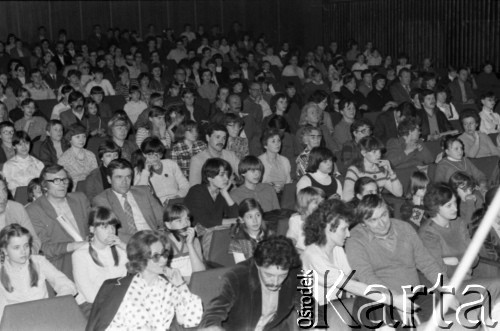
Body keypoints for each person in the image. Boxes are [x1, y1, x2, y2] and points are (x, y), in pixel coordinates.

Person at [345, 194, 458, 324]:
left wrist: (447, 291)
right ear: (363, 223)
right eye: (373, 220)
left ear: (389, 211)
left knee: (452, 322)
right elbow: (367, 277)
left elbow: (428, 264)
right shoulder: (355, 240)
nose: (381, 223)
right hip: (381, 299)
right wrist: (395, 299)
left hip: (416, 296)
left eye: (383, 215)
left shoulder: (405, 228)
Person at [301, 199, 412, 328]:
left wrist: (392, 294)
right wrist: (393, 300)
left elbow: (355, 277)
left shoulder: (336, 249)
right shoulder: (313, 256)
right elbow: (351, 285)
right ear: (329, 228)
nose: (348, 234)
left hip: (339, 301)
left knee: (375, 299)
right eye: (344, 229)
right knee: (370, 301)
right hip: (318, 309)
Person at [86, 230, 203, 330]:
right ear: (140, 258)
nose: (163, 260)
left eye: (165, 254)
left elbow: (192, 320)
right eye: (156, 256)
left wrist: (181, 285)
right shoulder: (119, 288)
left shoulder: (170, 287)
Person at [420, 184, 500, 317]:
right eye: (449, 205)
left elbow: (474, 259)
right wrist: (458, 260)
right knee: (497, 285)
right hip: (446, 288)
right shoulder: (428, 233)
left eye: (455, 203)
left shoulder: (458, 223)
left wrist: (454, 260)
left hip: (467, 279)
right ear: (436, 208)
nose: (456, 208)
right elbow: (436, 270)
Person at [198, 236, 300, 330]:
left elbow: (306, 303)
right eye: (269, 275)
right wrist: (212, 326)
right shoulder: (236, 277)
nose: (276, 282)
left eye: (282, 276)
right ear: (257, 264)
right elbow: (214, 311)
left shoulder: (294, 273)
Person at [0, 224, 81, 320]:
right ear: (4, 250)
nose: (23, 251)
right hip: (16, 323)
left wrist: (54, 304)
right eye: (16, 247)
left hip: (46, 317)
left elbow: (68, 285)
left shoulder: (39, 262)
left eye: (26, 246)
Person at [26, 165, 90, 279]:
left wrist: (92, 237)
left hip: (90, 253)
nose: (62, 184)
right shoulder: (34, 210)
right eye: (56, 180)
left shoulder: (80, 198)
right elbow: (42, 247)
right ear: (44, 185)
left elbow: (93, 225)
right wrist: (75, 246)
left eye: (64, 179)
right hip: (63, 261)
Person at [92, 159, 164, 243]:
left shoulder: (144, 191)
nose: (125, 182)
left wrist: (161, 234)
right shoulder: (102, 200)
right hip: (128, 245)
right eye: (119, 177)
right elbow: (112, 233)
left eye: (128, 177)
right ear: (109, 179)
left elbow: (163, 217)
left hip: (155, 238)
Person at [72, 206, 127, 304]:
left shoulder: (120, 249)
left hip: (121, 301)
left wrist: (122, 245)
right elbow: (90, 295)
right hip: (93, 305)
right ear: (92, 229)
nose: (111, 231)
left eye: (113, 226)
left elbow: (146, 263)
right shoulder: (80, 255)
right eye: (104, 227)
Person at [343, 136, 403, 201]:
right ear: (363, 153)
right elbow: (347, 197)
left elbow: (398, 193)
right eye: (374, 152)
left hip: (377, 205)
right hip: (362, 206)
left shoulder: (381, 169)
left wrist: (391, 171)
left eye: (379, 151)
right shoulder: (354, 170)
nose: (378, 154)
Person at [133, 137, 189, 205]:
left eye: (157, 154)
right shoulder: (138, 170)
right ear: (144, 154)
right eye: (150, 154)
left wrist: (177, 196)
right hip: (156, 205)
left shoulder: (170, 164)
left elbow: (185, 185)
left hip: (176, 200)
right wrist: (146, 171)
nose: (154, 158)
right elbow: (139, 193)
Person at [185, 158, 238, 228]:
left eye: (227, 175)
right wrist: (235, 220)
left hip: (213, 232)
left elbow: (236, 215)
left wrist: (225, 194)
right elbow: (205, 221)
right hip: (193, 233)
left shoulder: (220, 193)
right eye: (222, 175)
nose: (227, 179)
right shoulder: (196, 191)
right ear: (209, 178)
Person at [162, 204, 205, 282]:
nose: (186, 224)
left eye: (187, 219)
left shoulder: (195, 241)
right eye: (179, 220)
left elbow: (200, 273)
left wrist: (190, 245)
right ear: (168, 225)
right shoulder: (163, 244)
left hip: (195, 284)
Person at [0, 174, 41, 252]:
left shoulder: (16, 208)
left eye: (4, 190)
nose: (2, 197)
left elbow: (34, 240)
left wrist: (26, 255)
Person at [229, 199, 271, 264]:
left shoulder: (270, 234)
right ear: (241, 219)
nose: (255, 221)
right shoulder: (238, 242)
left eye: (258, 215)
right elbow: (242, 268)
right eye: (250, 217)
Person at [2, 131, 44, 195]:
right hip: (16, 199)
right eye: (20, 144)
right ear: (14, 146)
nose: (24, 147)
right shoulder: (8, 165)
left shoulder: (38, 164)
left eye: (26, 143)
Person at [286, 186, 324, 252]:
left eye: (322, 203)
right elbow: (291, 241)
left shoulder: (324, 219)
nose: (320, 206)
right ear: (305, 203)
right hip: (302, 253)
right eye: (316, 203)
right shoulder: (297, 220)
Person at [258, 128, 292, 194]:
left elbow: (288, 183)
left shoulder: (285, 160)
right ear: (265, 145)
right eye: (273, 141)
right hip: (265, 194)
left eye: (279, 140)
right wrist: (271, 189)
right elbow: (257, 185)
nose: (277, 144)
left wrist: (282, 190)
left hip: (283, 194)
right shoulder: (259, 161)